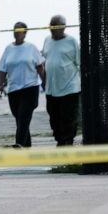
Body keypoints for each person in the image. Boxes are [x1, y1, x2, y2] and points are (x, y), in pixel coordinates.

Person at [0, 22, 45, 148]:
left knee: (23, 117)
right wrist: (1, 84)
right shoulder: (8, 49)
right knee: (19, 118)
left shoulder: (31, 48)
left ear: (25, 33)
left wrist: (45, 82)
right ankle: (27, 145)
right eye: (15, 30)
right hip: (13, 90)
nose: (17, 32)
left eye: (20, 30)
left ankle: (19, 144)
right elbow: (3, 69)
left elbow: (40, 67)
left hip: (30, 88)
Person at [41, 14, 81, 146]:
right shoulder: (47, 40)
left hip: (69, 86)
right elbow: (45, 60)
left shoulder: (71, 42)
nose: (52, 30)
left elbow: (79, 63)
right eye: (51, 26)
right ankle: (59, 138)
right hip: (51, 88)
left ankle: (67, 141)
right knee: (54, 117)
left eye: (55, 27)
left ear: (63, 28)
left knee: (68, 117)